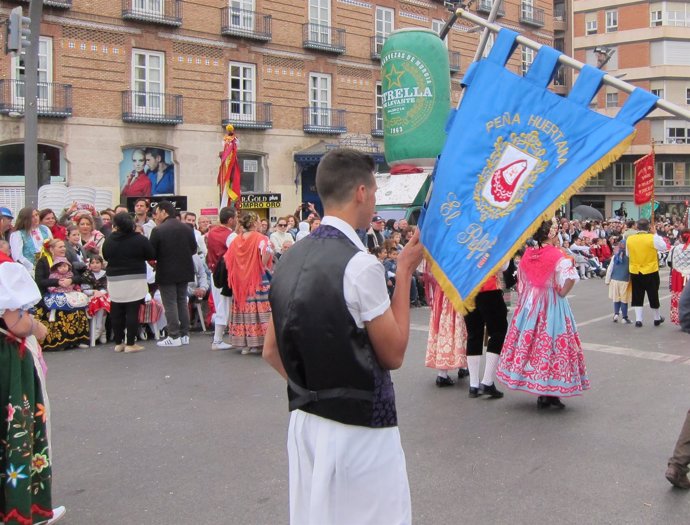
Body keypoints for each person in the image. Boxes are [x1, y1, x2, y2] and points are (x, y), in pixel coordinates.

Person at [263, 148, 423, 524]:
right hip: (360, 426)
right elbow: (394, 353)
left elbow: (271, 349)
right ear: (362, 193)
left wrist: (313, 386)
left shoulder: (288, 257)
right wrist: (403, 274)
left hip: (305, 420)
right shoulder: (360, 264)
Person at [0, 249, 66, 524]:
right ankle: (22, 510)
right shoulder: (3, 266)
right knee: (17, 429)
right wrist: (38, 327)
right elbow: (15, 322)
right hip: (8, 361)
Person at [497, 220, 590, 409]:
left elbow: (521, 280)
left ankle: (541, 390)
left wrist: (528, 295)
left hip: (530, 303)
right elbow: (571, 277)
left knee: (533, 342)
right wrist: (562, 292)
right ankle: (551, 392)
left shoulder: (529, 254)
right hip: (551, 301)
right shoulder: (557, 255)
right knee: (553, 342)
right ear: (551, 234)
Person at [102, 212, 155, 353]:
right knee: (133, 310)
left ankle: (118, 342)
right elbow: (151, 254)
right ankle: (130, 343)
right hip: (135, 277)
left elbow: (105, 255)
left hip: (114, 278)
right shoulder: (139, 239)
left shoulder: (110, 240)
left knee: (116, 309)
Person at [223, 212, 272, 354]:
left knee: (243, 309)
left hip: (240, 280)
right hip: (257, 279)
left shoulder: (236, 240)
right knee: (260, 310)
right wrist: (261, 266)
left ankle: (245, 343)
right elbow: (266, 253)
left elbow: (229, 260)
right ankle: (259, 342)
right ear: (254, 222)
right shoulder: (261, 238)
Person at [150, 201, 197, 347]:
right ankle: (184, 334)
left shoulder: (158, 230)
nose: (156, 216)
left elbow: (152, 253)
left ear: (164, 212)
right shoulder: (187, 228)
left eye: (157, 212)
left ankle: (174, 335)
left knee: (170, 303)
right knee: (182, 301)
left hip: (166, 270)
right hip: (185, 269)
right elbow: (194, 249)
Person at [34, 239, 90, 351]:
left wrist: (71, 280)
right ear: (51, 249)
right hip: (49, 293)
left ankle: (78, 339)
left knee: (77, 304)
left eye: (64, 246)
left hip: (68, 291)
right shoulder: (43, 262)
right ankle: (59, 341)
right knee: (60, 305)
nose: (63, 249)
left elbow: (79, 277)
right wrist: (57, 282)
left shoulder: (67, 261)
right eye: (60, 247)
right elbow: (40, 281)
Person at [464, 267, 509, 399]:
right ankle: (487, 381)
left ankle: (473, 385)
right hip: (489, 288)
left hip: (468, 289)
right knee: (498, 332)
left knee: (473, 335)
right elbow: (504, 265)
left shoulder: (461, 244)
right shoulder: (492, 244)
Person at [425, 277, 468, 387]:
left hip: (443, 290)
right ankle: (446, 373)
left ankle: (452, 369)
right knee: (458, 328)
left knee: (444, 327)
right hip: (457, 289)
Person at [206, 207, 237, 350]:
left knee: (221, 304)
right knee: (224, 305)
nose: (237, 220)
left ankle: (220, 338)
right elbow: (235, 255)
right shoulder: (231, 236)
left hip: (215, 272)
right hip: (226, 274)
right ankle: (217, 340)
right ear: (230, 220)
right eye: (235, 218)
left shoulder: (211, 233)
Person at [626, 218, 667, 327]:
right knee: (653, 294)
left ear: (637, 227)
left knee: (637, 295)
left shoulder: (630, 239)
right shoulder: (652, 238)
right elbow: (663, 247)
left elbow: (627, 254)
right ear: (649, 227)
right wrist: (656, 234)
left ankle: (638, 320)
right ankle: (656, 318)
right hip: (651, 270)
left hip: (635, 270)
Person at [9, 207, 52, 275]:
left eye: (36, 215)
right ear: (25, 219)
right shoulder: (18, 235)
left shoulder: (45, 229)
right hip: (29, 271)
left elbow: (53, 246)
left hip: (48, 267)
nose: (35, 218)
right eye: (32, 217)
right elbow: (17, 257)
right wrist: (33, 267)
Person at [82, 255, 111, 344]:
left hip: (104, 295)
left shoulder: (106, 274)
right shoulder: (86, 275)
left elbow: (107, 287)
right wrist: (94, 292)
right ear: (89, 265)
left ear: (101, 264)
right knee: (99, 300)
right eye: (93, 263)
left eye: (97, 263)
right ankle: (100, 329)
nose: (95, 265)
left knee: (102, 300)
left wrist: (101, 293)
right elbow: (84, 289)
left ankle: (100, 329)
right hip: (90, 297)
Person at [605, 239, 632, 323]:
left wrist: (607, 280)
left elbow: (610, 269)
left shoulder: (615, 256)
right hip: (624, 280)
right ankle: (624, 317)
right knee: (624, 299)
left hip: (614, 280)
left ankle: (616, 314)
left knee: (616, 298)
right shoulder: (629, 257)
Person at [669, 229, 690, 325]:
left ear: (681, 237)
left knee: (679, 296)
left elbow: (669, 262)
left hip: (678, 275)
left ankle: (680, 318)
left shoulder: (675, 248)